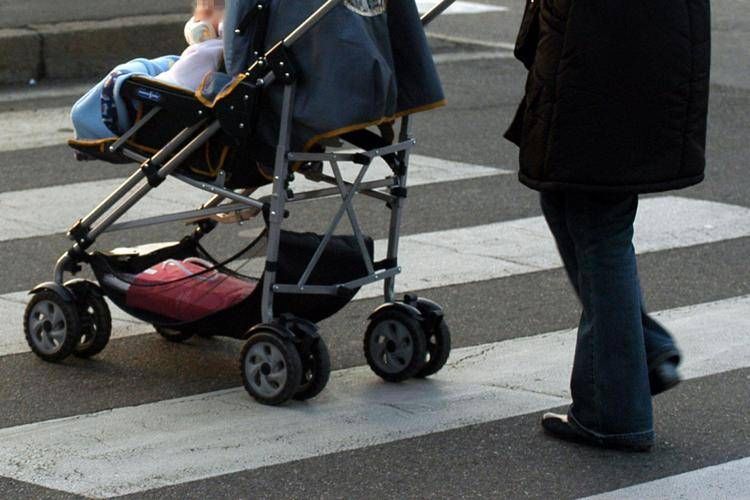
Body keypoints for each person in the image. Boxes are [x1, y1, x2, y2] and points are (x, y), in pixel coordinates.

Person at [505, 0, 711, 451]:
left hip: (602, 47)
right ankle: (640, 350)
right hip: (629, 43)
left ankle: (615, 409)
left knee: (597, 217)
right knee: (567, 198)